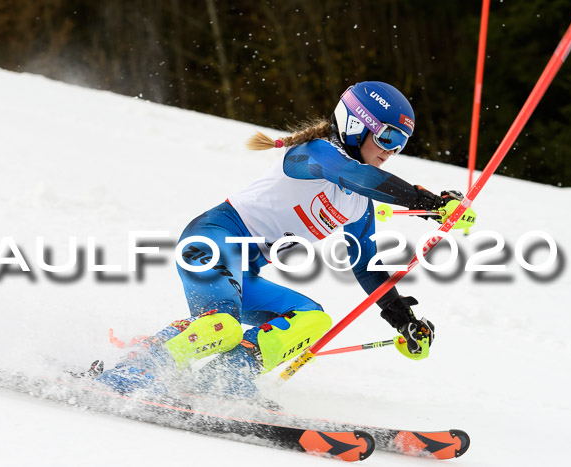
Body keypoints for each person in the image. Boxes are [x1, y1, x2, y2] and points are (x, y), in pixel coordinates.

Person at [97, 81, 460, 400]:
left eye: (401, 143)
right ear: (354, 124)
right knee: (220, 327)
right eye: (387, 137)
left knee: (312, 320)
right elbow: (353, 174)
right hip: (210, 243)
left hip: (243, 273)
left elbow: (365, 265)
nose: (391, 150)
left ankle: (223, 382)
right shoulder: (314, 154)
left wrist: (402, 319)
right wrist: (428, 203)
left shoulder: (359, 205)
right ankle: (136, 369)